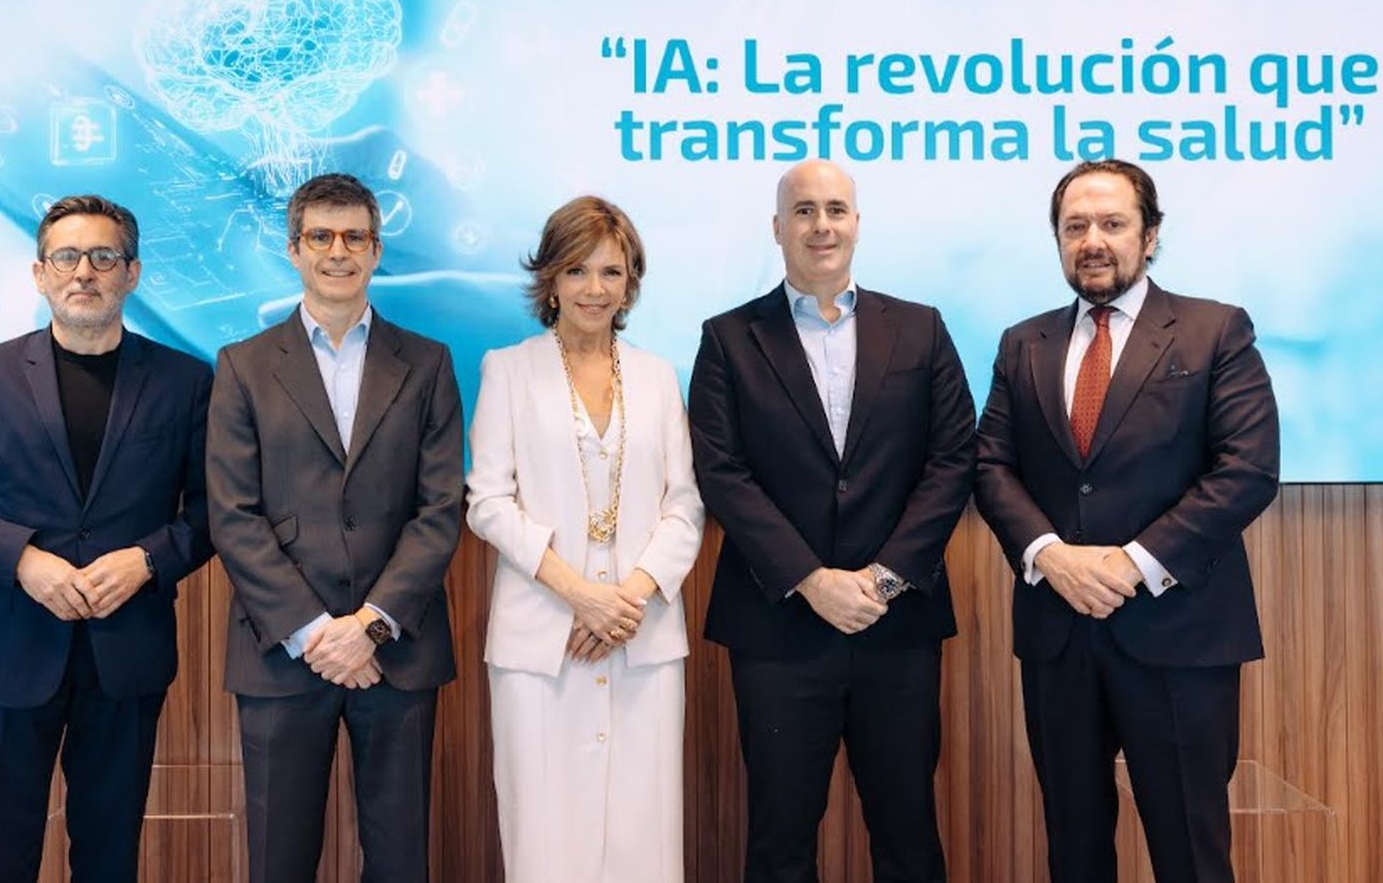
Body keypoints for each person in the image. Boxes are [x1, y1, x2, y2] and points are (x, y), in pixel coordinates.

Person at [974, 159, 1279, 883]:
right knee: (1074, 850)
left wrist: (1129, 563)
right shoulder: (1023, 343)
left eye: (1112, 223)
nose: (1093, 241)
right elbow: (990, 466)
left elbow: (1247, 469)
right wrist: (1051, 555)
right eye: (1075, 226)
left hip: (1179, 633)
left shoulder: (1214, 330)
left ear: (1150, 235)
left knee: (1190, 852)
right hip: (1059, 634)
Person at [0, 194, 214, 882]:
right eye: (67, 257)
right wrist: (22, 561)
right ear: (40, 273)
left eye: (103, 257)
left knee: (109, 859)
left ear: (132, 273)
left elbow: (215, 511)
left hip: (126, 654)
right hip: (12, 651)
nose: (84, 272)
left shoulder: (186, 381)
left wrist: (147, 560)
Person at [688, 159, 975, 883]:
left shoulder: (920, 329)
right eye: (805, 211)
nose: (822, 226)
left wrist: (882, 579)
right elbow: (722, 472)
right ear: (777, 228)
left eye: (836, 210)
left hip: (896, 625)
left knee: (909, 835)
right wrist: (811, 580)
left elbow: (952, 461)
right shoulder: (728, 338)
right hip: (778, 628)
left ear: (857, 223)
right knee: (780, 841)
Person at [205, 172, 464, 883]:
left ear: (377, 250)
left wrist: (370, 627)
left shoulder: (428, 363)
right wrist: (318, 633)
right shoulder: (243, 366)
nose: (338, 251)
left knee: (401, 860)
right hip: (284, 652)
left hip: (397, 651)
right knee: (279, 861)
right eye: (320, 236)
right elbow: (233, 514)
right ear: (294, 249)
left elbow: (439, 509)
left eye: (354, 236)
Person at [466, 195, 703, 883]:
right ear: (550, 279)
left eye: (611, 272)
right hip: (543, 640)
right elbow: (488, 501)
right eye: (577, 270)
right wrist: (581, 595)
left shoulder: (658, 377)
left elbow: (684, 505)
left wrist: (626, 600)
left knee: (642, 836)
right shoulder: (508, 370)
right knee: (546, 838)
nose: (594, 289)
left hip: (642, 638)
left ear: (631, 282)